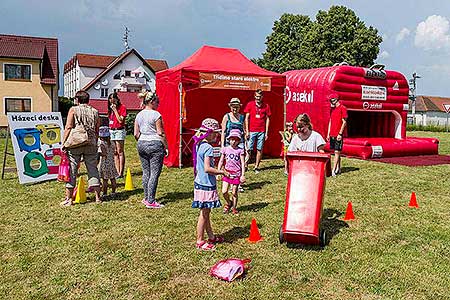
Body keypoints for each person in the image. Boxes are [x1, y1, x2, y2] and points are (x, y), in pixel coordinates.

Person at [192, 118, 229, 251]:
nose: (217, 136)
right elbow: (208, 168)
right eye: (216, 133)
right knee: (204, 214)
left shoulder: (199, 144)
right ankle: (200, 241)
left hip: (200, 183)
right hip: (206, 185)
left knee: (206, 213)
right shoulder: (208, 147)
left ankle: (211, 236)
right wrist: (222, 172)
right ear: (210, 133)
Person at [61, 90, 101, 206]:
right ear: (88, 100)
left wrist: (64, 142)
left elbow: (68, 127)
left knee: (72, 170)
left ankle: (69, 199)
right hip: (91, 143)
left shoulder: (73, 110)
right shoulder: (95, 111)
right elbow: (97, 129)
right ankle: (98, 198)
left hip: (76, 143)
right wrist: (94, 141)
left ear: (77, 100)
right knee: (93, 169)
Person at [134, 91, 169, 209]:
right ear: (151, 101)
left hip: (142, 143)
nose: (158, 104)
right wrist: (166, 146)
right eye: (157, 102)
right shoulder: (156, 115)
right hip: (155, 144)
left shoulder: (139, 115)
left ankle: (146, 197)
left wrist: (142, 140)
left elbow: (135, 133)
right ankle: (151, 200)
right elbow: (160, 132)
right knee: (154, 173)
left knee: (146, 172)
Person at [221, 97, 247, 192]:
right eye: (233, 107)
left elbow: (244, 131)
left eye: (236, 107)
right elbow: (223, 131)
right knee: (228, 161)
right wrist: (222, 145)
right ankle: (229, 180)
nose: (235, 109)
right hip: (229, 142)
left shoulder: (242, 117)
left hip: (240, 142)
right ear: (230, 107)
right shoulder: (226, 117)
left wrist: (246, 143)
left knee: (240, 161)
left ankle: (238, 182)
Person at [218, 129, 246, 215]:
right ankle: (229, 202)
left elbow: (242, 163)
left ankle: (234, 207)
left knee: (234, 192)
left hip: (236, 174)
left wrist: (242, 175)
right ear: (229, 140)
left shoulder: (240, 150)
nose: (233, 142)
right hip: (227, 173)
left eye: (236, 140)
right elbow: (221, 161)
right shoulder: (225, 149)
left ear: (238, 141)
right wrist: (219, 172)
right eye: (232, 139)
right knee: (224, 191)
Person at [244, 89, 271, 174]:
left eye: (260, 96)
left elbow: (267, 119)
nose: (258, 98)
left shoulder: (266, 106)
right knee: (249, 149)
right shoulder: (250, 104)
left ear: (262, 97)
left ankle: (256, 167)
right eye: (257, 96)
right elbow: (246, 118)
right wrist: (247, 131)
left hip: (261, 131)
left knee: (259, 149)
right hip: (252, 130)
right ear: (254, 96)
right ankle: (245, 165)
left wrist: (266, 132)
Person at [326, 93, 348, 176]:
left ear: (335, 100)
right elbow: (331, 122)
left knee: (337, 151)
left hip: (338, 134)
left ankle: (333, 170)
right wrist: (328, 133)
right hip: (332, 133)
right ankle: (338, 168)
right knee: (336, 152)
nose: (330, 102)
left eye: (331, 100)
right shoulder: (332, 109)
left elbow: (344, 122)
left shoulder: (343, 108)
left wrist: (340, 133)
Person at [108, 92, 127, 178]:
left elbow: (120, 120)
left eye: (113, 98)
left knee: (120, 151)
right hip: (112, 131)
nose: (112, 100)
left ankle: (121, 172)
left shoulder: (122, 108)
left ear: (117, 99)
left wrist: (115, 110)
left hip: (119, 131)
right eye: (110, 99)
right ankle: (116, 171)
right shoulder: (109, 110)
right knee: (114, 152)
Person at [98, 126, 118, 200]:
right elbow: (114, 152)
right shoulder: (112, 143)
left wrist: (99, 154)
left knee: (105, 180)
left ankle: (105, 193)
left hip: (104, 164)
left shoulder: (102, 144)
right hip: (112, 163)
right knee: (113, 179)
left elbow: (103, 153)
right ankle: (113, 192)